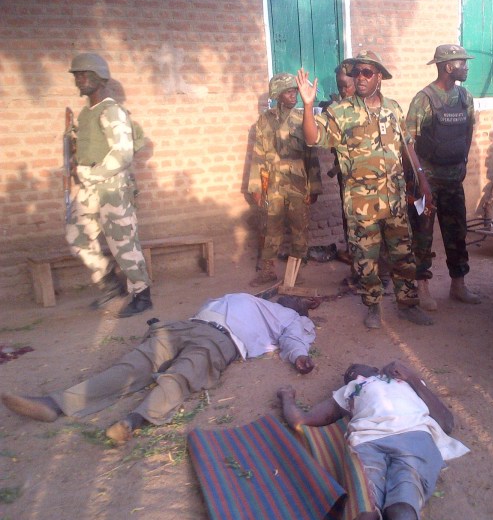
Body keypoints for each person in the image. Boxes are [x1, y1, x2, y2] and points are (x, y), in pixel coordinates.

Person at [1, 294, 317, 443]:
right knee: (133, 364)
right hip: (186, 326)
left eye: (298, 300)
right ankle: (55, 403)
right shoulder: (248, 298)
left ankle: (132, 421)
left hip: (223, 342)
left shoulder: (292, 319)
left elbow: (295, 339)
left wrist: (299, 356)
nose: (293, 299)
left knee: (181, 375)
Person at [296, 51, 434, 329]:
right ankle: (373, 306)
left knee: (403, 255)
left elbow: (408, 147)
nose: (359, 77)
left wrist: (423, 182)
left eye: (366, 72)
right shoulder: (342, 112)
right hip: (361, 205)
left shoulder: (393, 109)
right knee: (365, 260)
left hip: (394, 200)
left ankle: (408, 304)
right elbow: (312, 138)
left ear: (379, 77)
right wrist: (308, 106)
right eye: (356, 72)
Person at [276, 360, 468, 520]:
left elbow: (446, 422)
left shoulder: (406, 380)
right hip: (366, 441)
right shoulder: (348, 391)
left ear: (375, 369)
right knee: (363, 507)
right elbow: (302, 420)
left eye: (355, 368)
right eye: (349, 373)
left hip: (414, 435)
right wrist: (287, 397)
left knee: (403, 504)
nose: (351, 371)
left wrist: (411, 377)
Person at [66, 53, 153, 318]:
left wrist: (87, 174)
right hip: (90, 187)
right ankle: (110, 284)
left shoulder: (111, 110)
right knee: (77, 237)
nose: (80, 80)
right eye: (77, 75)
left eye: (85, 75)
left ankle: (141, 293)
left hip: (112, 188)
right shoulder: (86, 112)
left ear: (99, 78)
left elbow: (122, 155)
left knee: (124, 243)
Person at [406, 44, 481, 311]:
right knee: (423, 234)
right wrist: (421, 181)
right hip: (427, 181)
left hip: (452, 178)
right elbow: (408, 143)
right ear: (449, 67)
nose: (467, 68)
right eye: (462, 63)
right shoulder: (424, 99)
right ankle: (422, 287)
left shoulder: (465, 98)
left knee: (457, 231)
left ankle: (458, 284)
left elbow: (468, 130)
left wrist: (464, 161)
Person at [248, 73, 322, 286]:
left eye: (294, 91)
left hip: (299, 183)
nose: (294, 95)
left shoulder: (304, 118)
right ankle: (268, 270)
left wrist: (314, 187)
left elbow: (312, 155)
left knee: (300, 228)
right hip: (273, 183)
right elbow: (258, 154)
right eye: (289, 92)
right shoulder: (265, 120)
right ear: (278, 95)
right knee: (270, 228)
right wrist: (255, 187)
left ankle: (296, 272)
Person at [320, 66, 358, 267]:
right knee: (347, 212)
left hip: (365, 175)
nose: (343, 91)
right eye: (339, 87)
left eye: (346, 86)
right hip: (345, 171)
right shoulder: (337, 108)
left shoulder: (363, 109)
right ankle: (353, 251)